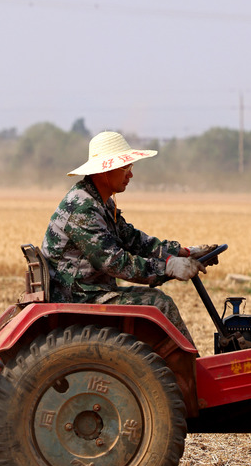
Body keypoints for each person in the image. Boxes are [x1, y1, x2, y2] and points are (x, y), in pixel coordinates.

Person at [42, 131, 217, 344]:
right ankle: (190, 374)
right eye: (126, 168)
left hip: (89, 290)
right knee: (159, 304)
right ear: (105, 170)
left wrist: (183, 252)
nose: (131, 175)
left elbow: (133, 240)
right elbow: (116, 263)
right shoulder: (82, 209)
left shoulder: (100, 202)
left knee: (157, 304)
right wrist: (168, 267)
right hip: (77, 295)